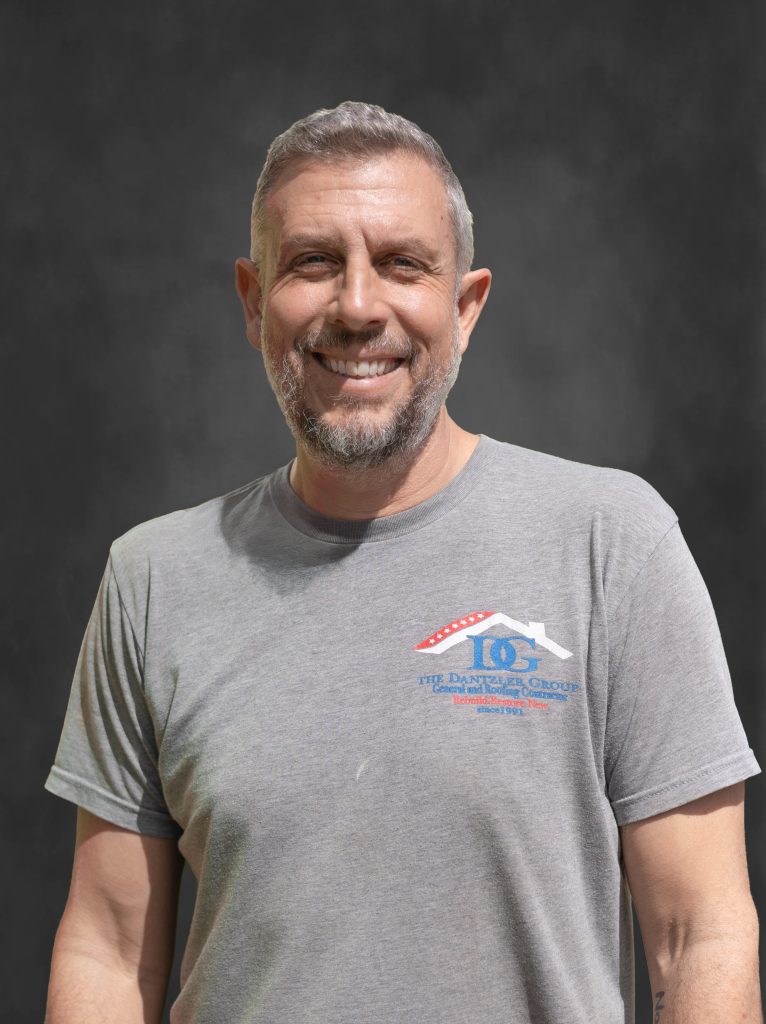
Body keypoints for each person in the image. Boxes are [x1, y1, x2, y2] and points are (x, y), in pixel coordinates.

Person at [43, 101, 762, 1024]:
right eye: (313, 262)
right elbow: (107, 952)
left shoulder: (613, 544)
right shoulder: (153, 579)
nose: (356, 306)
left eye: (402, 264)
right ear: (254, 302)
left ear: (465, 307)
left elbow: (700, 935)